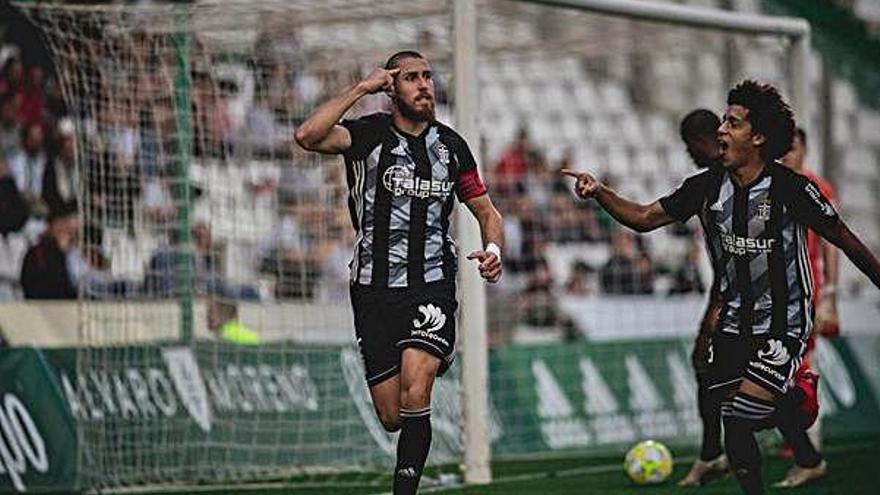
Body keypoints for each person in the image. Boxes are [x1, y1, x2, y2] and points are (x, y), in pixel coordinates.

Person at [562, 80, 880, 495]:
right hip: (733, 323)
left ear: (759, 137)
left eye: (732, 123)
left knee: (739, 418)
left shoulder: (791, 188)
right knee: (727, 415)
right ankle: (789, 405)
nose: (722, 131)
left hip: (785, 322)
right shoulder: (706, 186)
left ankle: (795, 398)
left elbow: (845, 240)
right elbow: (642, 218)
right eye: (724, 121)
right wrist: (600, 191)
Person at [295, 50, 504, 495]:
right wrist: (359, 90)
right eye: (411, 77)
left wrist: (492, 248)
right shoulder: (366, 136)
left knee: (417, 386)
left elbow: (488, 212)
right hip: (372, 289)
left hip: (431, 282)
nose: (424, 84)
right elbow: (307, 136)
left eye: (428, 76)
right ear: (391, 87)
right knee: (393, 417)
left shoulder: (451, 147)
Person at [771, 126, 839, 487]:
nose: (788, 155)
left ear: (806, 150)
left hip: (807, 289)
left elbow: (832, 241)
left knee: (801, 363)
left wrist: (830, 294)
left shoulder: (816, 187)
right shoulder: (772, 186)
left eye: (793, 148)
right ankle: (800, 439)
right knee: (787, 364)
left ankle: (809, 444)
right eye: (784, 148)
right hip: (777, 293)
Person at [675, 109, 728, 487]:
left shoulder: (738, 180)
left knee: (762, 387)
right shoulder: (706, 184)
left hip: (757, 298)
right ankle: (712, 453)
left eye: (689, 145)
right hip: (727, 290)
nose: (689, 152)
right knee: (705, 365)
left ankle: (805, 455)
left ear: (701, 140)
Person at [20, 200, 79, 299]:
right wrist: (60, 251)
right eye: (62, 222)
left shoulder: (83, 250)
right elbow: (36, 287)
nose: (66, 228)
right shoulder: (37, 253)